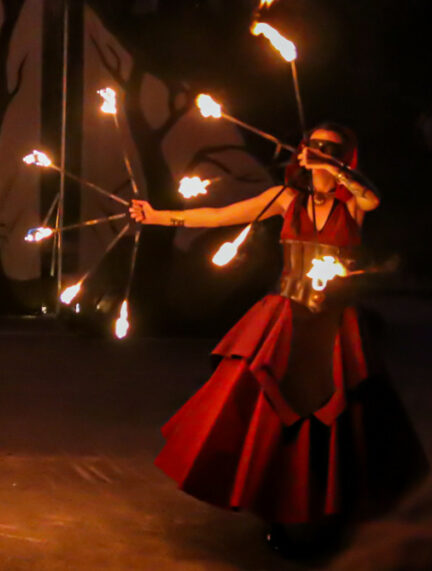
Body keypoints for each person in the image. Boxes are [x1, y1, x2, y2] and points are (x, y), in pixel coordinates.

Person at [131, 123, 428, 553]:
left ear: (345, 156)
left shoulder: (353, 204)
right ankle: (278, 510)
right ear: (302, 153)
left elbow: (371, 197)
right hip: (285, 320)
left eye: (332, 148)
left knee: (336, 422)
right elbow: (218, 216)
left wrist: (336, 168)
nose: (319, 151)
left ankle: (331, 512)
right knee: (272, 421)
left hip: (333, 327)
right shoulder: (286, 199)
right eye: (314, 145)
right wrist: (156, 216)